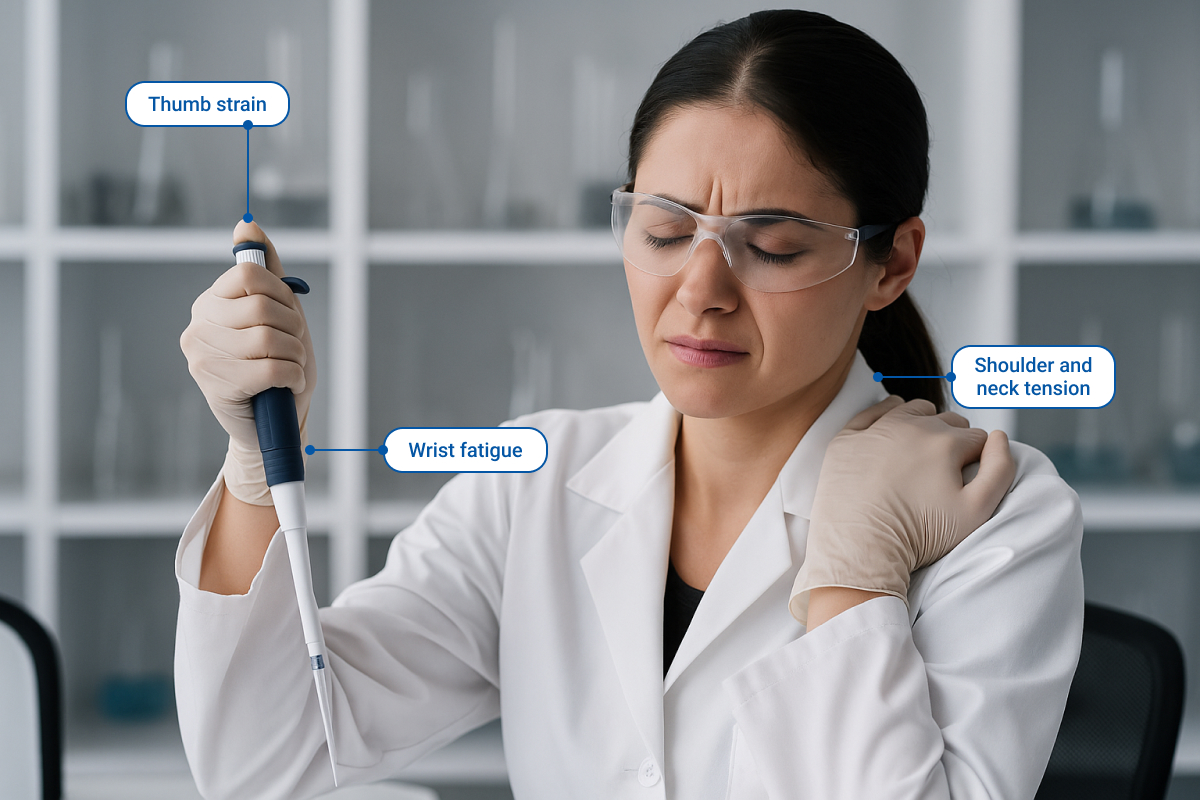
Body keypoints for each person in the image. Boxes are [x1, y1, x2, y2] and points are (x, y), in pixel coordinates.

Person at [176, 9, 1083, 800]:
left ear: (892, 262)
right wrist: (257, 469)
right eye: (664, 229)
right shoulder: (531, 487)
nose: (700, 291)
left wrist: (854, 577)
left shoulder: (997, 515)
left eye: (770, 246)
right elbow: (263, 759)